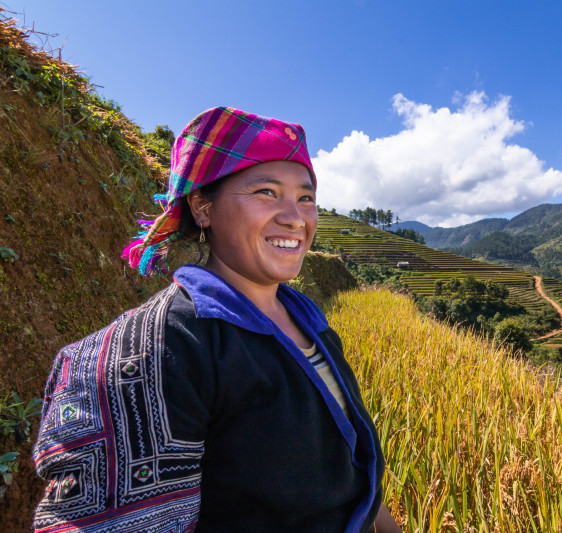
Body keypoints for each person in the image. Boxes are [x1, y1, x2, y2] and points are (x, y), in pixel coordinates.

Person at [32, 107, 401, 532]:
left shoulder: (309, 320)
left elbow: (356, 480)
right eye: (266, 191)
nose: (295, 217)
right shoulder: (161, 348)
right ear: (202, 207)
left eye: (305, 198)